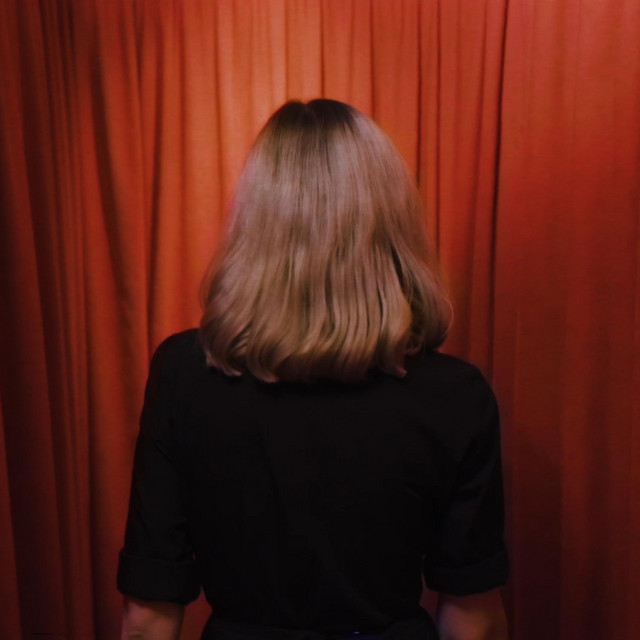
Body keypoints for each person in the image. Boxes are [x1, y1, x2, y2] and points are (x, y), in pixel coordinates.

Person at [117, 99, 509, 640]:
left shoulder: (183, 374)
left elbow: (147, 619)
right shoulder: (455, 396)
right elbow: (473, 620)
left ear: (256, 221)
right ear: (391, 222)